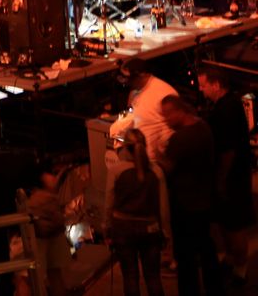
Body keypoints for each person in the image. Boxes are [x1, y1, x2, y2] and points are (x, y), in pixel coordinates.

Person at [160, 94, 226, 296]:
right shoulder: (203, 127)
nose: (165, 120)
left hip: (184, 204)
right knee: (206, 247)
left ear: (179, 111)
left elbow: (167, 168)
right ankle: (215, 287)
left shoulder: (180, 139)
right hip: (204, 199)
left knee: (185, 254)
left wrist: (156, 155)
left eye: (167, 115)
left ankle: (190, 291)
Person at [196, 66, 253, 285]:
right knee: (228, 223)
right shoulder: (229, 104)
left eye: (203, 85)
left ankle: (240, 268)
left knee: (234, 225)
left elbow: (228, 149)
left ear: (216, 85)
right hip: (234, 175)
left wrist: (221, 179)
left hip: (232, 178)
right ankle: (232, 260)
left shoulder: (225, 110)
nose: (201, 90)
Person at [108, 128, 166, 296]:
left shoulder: (116, 171)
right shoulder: (156, 171)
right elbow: (163, 207)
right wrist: (165, 232)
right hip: (150, 228)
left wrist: (107, 228)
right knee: (153, 276)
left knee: (130, 276)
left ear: (125, 148)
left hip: (123, 228)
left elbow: (109, 204)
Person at [26, 161, 70, 296]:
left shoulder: (35, 198)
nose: (54, 178)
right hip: (48, 238)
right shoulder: (46, 198)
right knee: (54, 275)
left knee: (32, 278)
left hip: (41, 239)